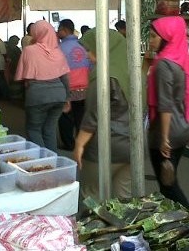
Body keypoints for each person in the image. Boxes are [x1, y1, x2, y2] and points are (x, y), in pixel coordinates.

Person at [74, 28, 131, 200]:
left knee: (92, 196)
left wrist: (79, 144)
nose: (87, 55)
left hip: (105, 145)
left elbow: (93, 116)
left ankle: (96, 227)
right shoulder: (134, 73)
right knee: (124, 200)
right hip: (132, 145)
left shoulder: (103, 77)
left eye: (90, 50)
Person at [147, 16, 189, 208]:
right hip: (182, 127)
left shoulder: (164, 64)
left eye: (153, 36)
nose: (150, 40)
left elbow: (165, 104)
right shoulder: (180, 59)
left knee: (168, 185)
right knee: (169, 181)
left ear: (166, 38)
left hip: (167, 132)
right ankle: (175, 221)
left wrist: (164, 138)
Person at [14, 20, 70, 152]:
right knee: (49, 129)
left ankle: (43, 163)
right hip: (59, 96)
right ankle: (53, 163)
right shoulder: (58, 52)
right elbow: (65, 77)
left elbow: (24, 78)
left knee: (34, 129)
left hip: (37, 95)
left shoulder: (29, 50)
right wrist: (67, 98)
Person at [57, 19, 91, 151]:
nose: (57, 32)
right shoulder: (83, 45)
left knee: (65, 117)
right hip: (85, 88)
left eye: (59, 29)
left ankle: (69, 144)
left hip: (68, 88)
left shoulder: (60, 48)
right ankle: (82, 143)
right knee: (81, 117)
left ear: (64, 30)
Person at [5, 35, 23, 100]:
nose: (17, 43)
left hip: (11, 66)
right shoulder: (15, 48)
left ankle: (12, 94)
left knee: (12, 79)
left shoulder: (7, 47)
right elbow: (20, 57)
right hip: (16, 65)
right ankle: (16, 95)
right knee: (16, 80)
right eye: (17, 41)